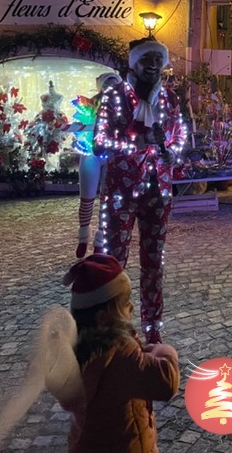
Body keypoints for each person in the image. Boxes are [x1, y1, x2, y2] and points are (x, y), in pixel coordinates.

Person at [93, 39, 187, 343]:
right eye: (146, 58)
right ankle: (111, 326)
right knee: (112, 260)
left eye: (158, 59)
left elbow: (180, 136)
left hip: (158, 190)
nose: (153, 65)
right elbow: (99, 143)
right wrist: (137, 145)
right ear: (132, 62)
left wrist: (171, 151)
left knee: (153, 260)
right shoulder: (114, 96)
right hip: (121, 189)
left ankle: (152, 327)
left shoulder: (170, 100)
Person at [61, 254, 180, 453]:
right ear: (104, 318)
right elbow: (166, 381)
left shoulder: (74, 351)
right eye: (126, 304)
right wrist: (161, 349)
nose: (132, 307)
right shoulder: (120, 354)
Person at [72, 72, 122, 259]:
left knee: (106, 200)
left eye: (114, 84)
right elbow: (80, 124)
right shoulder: (91, 105)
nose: (110, 88)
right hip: (91, 153)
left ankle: (100, 241)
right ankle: (83, 237)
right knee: (87, 198)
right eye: (107, 84)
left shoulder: (123, 105)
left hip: (112, 154)